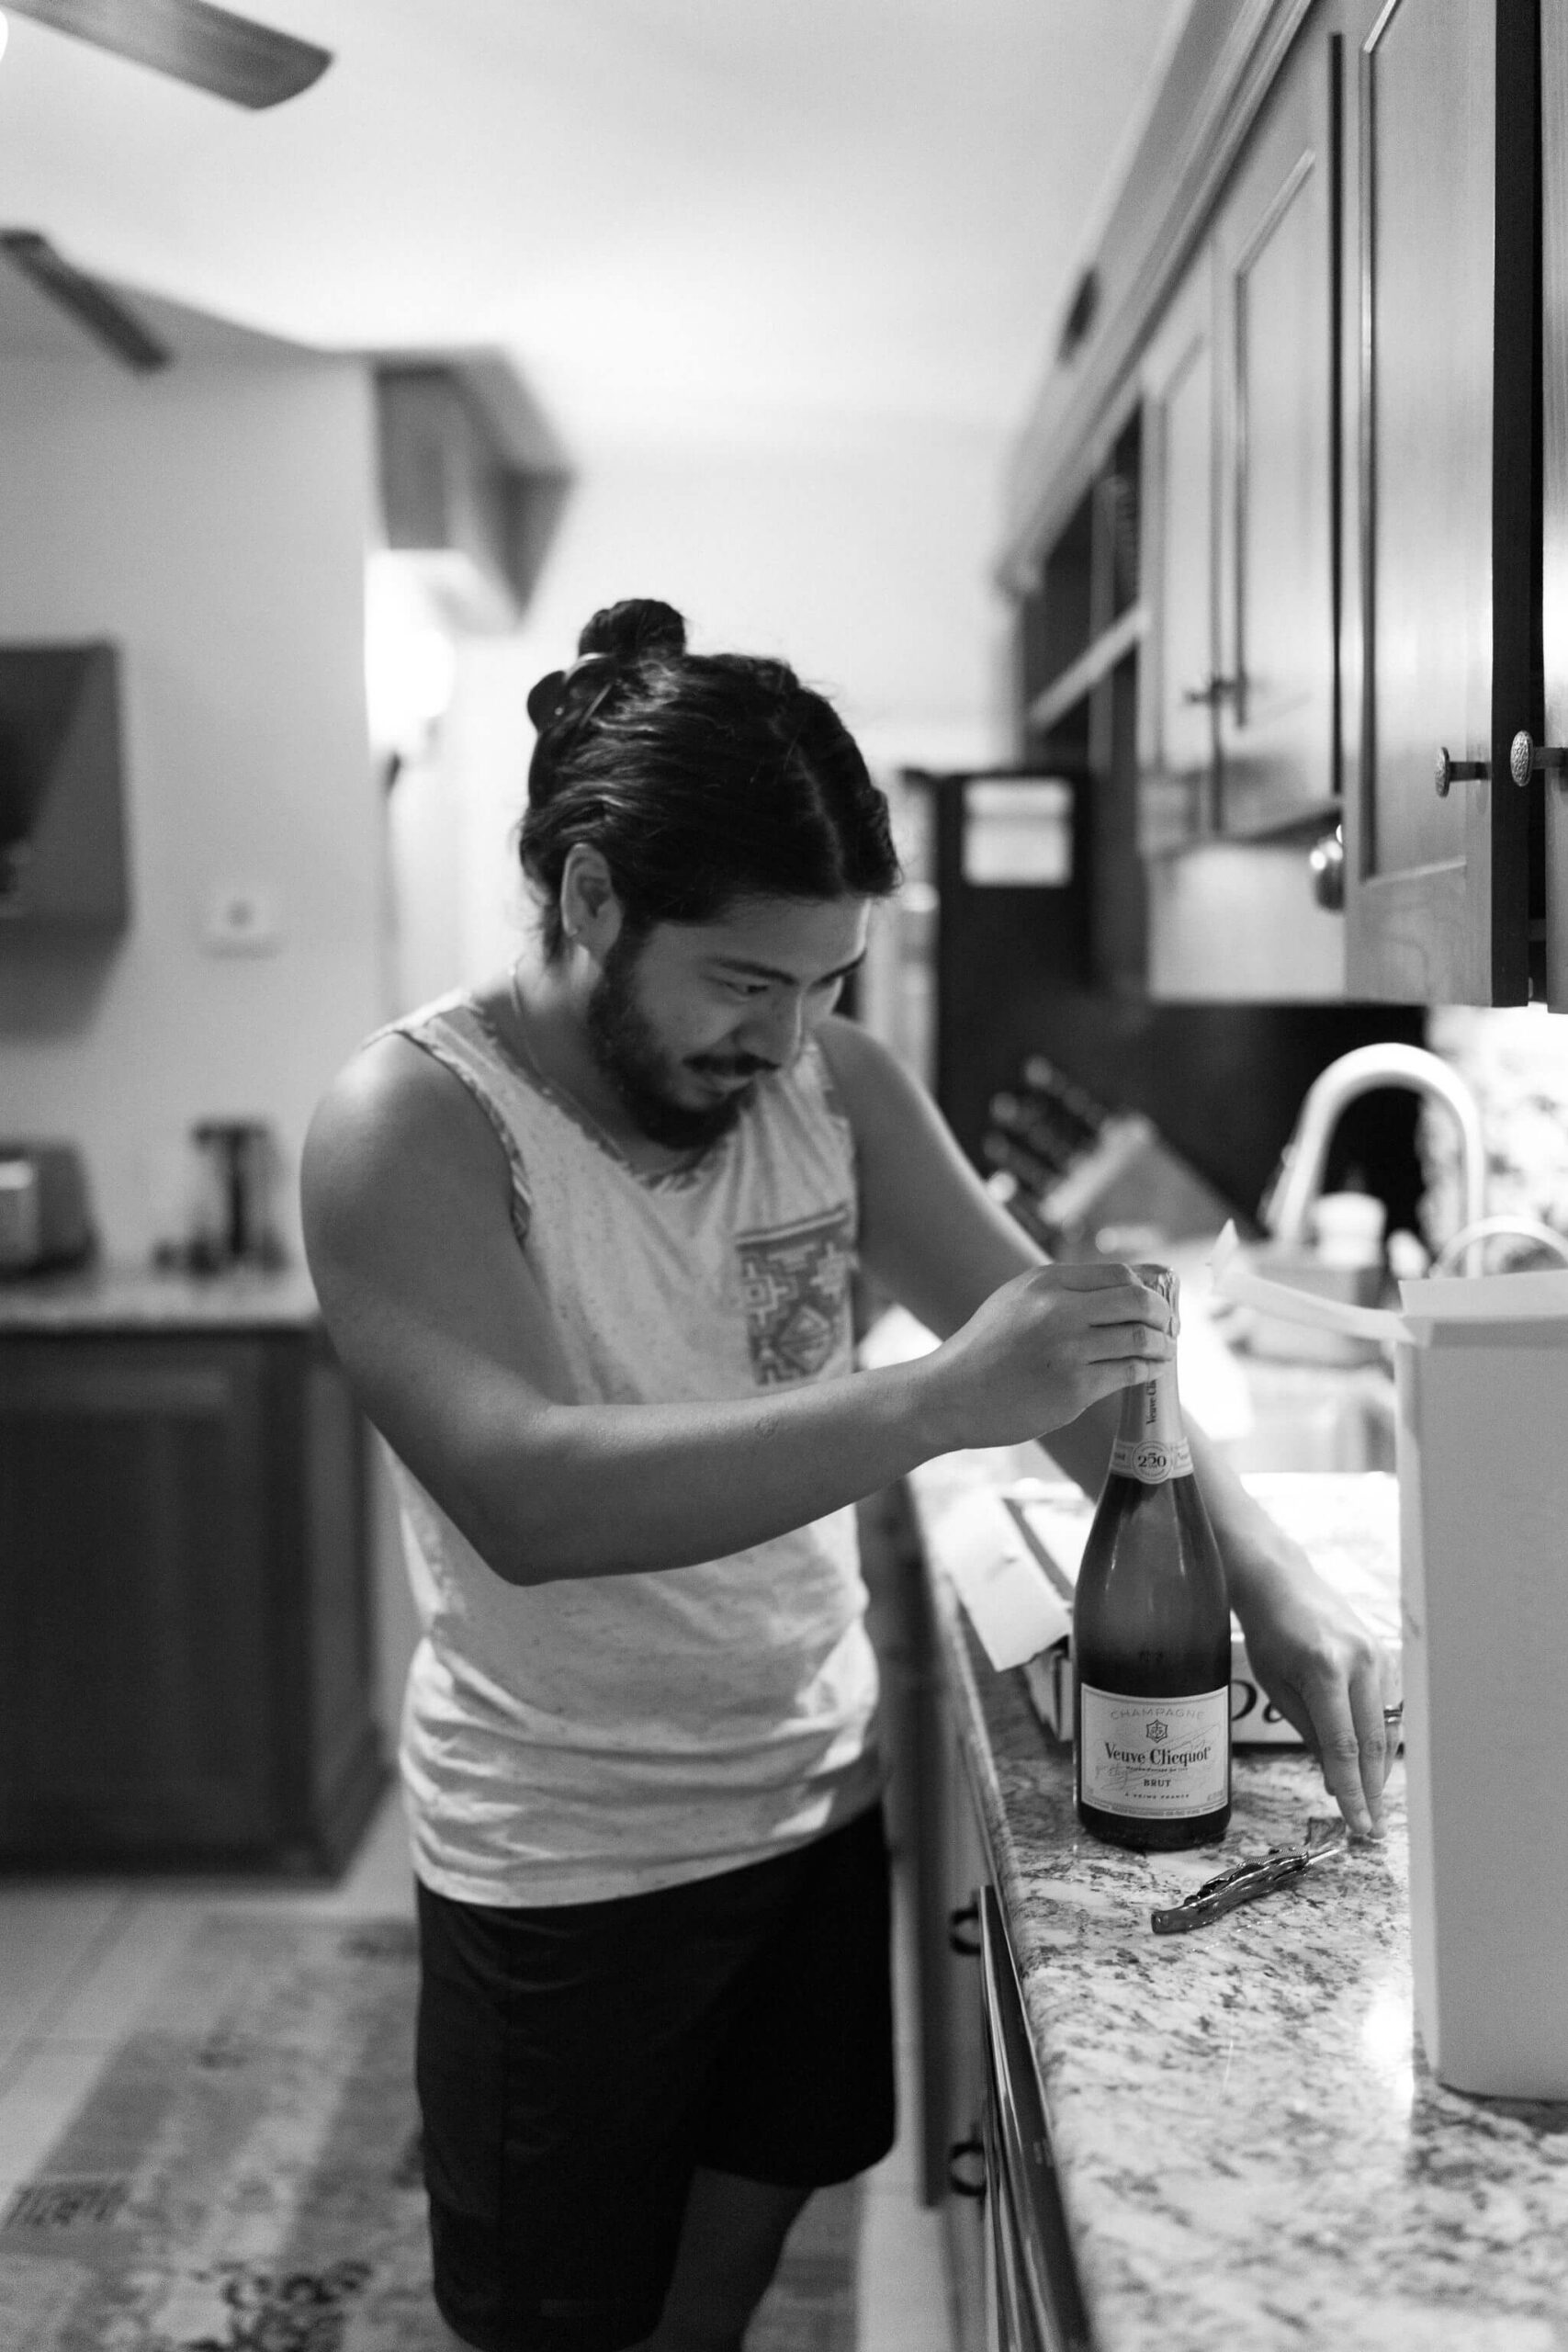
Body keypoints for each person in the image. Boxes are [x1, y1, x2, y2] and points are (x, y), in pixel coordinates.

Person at [302, 598, 1392, 2352]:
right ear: (589, 898)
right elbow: (530, 1495)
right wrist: (930, 1405)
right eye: (745, 982)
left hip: (809, 1806)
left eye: (826, 984)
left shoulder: (837, 1088)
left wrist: (1263, 1571)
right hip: (563, 1858)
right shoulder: (414, 1125)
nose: (789, 1035)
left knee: (720, 2290)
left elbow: (1056, 1356)